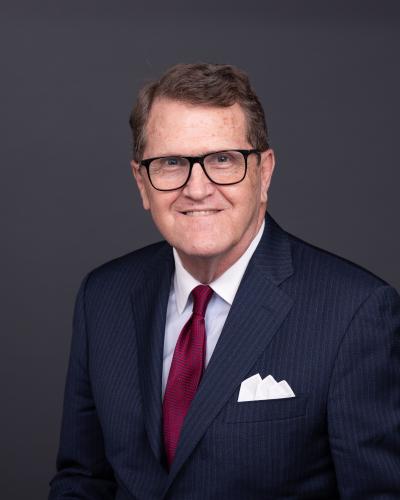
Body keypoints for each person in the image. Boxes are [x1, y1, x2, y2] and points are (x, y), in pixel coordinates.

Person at [49, 63, 400, 499]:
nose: (197, 189)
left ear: (264, 172)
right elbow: (83, 480)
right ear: (142, 182)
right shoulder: (103, 297)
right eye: (171, 163)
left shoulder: (355, 312)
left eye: (222, 159)